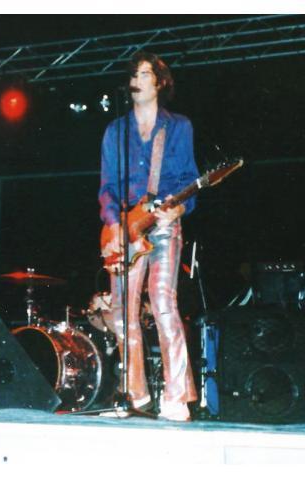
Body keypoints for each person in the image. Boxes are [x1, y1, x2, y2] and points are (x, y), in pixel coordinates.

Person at [98, 51, 199, 421]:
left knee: (163, 302)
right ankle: (135, 395)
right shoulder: (115, 131)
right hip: (126, 227)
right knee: (122, 312)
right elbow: (107, 186)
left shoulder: (178, 127)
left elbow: (189, 179)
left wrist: (180, 209)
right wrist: (113, 224)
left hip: (164, 223)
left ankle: (177, 397)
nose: (136, 81)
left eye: (144, 74)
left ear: (160, 82)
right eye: (133, 74)